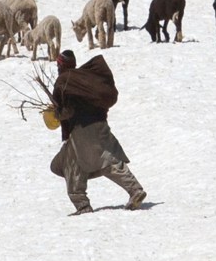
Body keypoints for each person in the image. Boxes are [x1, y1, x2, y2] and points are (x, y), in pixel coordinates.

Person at [49, 49, 146, 214]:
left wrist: (57, 113)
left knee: (74, 164)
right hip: (99, 126)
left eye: (58, 65)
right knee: (104, 160)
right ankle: (134, 189)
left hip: (82, 131)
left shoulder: (65, 81)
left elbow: (68, 111)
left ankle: (83, 205)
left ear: (61, 65)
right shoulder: (85, 79)